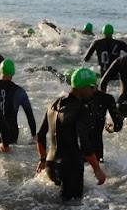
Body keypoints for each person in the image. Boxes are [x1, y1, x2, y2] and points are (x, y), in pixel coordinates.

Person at [36, 68, 109, 201]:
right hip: (70, 166)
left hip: (51, 165)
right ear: (82, 87)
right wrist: (97, 169)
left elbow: (40, 135)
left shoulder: (53, 104)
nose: (94, 91)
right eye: (92, 87)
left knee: (58, 206)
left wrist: (42, 160)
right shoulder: (81, 109)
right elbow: (84, 144)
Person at [0, 59, 37, 144]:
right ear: (13, 73)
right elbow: (29, 114)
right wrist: (34, 136)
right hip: (12, 133)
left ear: (0, 71)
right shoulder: (20, 92)